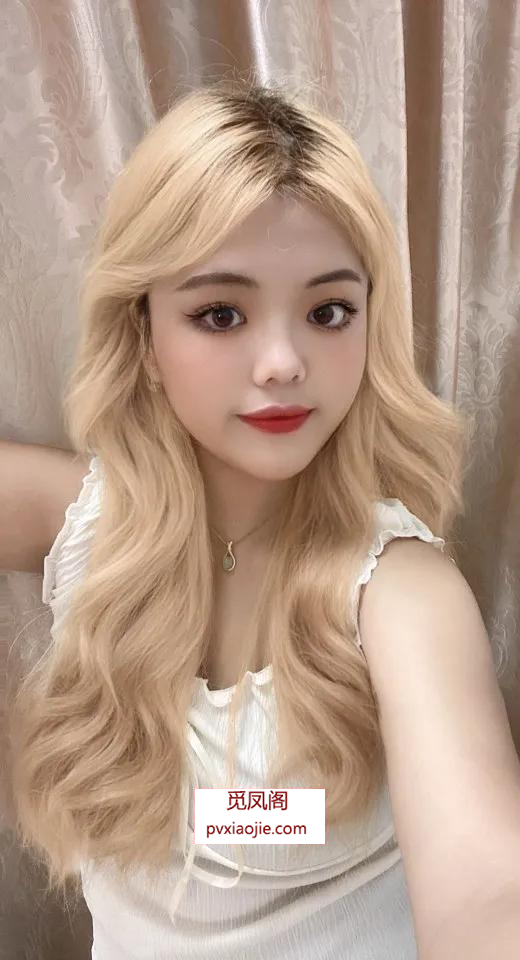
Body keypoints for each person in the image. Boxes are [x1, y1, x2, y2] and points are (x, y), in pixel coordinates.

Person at [4, 78, 520, 960]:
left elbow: (488, 895)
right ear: (145, 338)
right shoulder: (88, 528)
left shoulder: (402, 596)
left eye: (328, 312)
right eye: (220, 314)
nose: (282, 362)